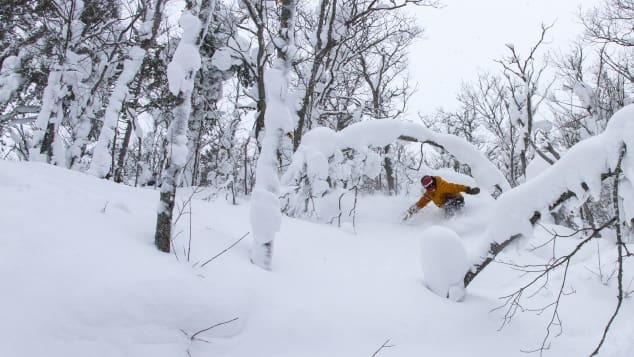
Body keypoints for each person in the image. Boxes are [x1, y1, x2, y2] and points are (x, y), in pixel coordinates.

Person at [403, 175, 480, 220]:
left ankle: (458, 220)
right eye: (428, 187)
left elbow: (456, 187)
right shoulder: (429, 193)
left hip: (458, 200)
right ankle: (450, 222)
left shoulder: (442, 186)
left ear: (433, 181)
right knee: (446, 207)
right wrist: (411, 211)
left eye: (431, 184)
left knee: (448, 205)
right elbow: (422, 202)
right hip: (447, 205)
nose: (431, 187)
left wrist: (468, 190)